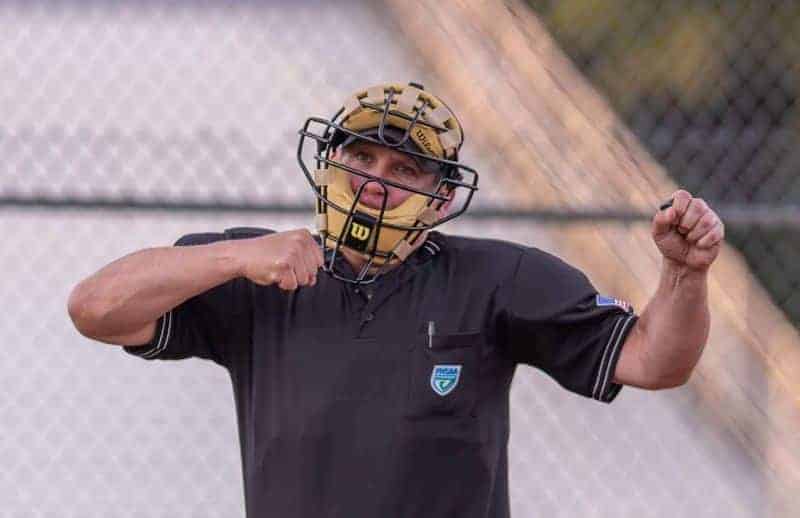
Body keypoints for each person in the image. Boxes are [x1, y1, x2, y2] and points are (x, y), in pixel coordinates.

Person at [67, 82, 724, 517]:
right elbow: (95, 308)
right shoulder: (254, 274)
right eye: (361, 159)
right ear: (329, 165)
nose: (376, 181)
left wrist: (684, 276)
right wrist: (236, 257)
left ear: (441, 199)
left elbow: (655, 361)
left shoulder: (500, 277)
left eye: (404, 170)